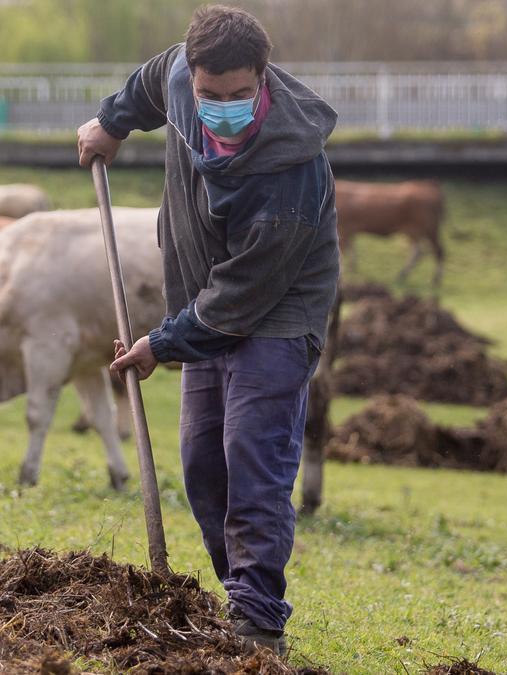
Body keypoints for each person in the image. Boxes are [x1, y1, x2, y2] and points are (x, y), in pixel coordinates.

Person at [77, 4, 339, 657]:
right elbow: (149, 80)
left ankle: (257, 623)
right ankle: (237, 593)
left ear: (263, 78)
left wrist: (161, 342)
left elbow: (244, 295)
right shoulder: (177, 81)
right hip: (203, 300)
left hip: (276, 312)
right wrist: (112, 123)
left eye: (240, 95)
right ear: (193, 79)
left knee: (253, 455)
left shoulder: (291, 168)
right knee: (202, 465)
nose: (222, 107)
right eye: (209, 95)